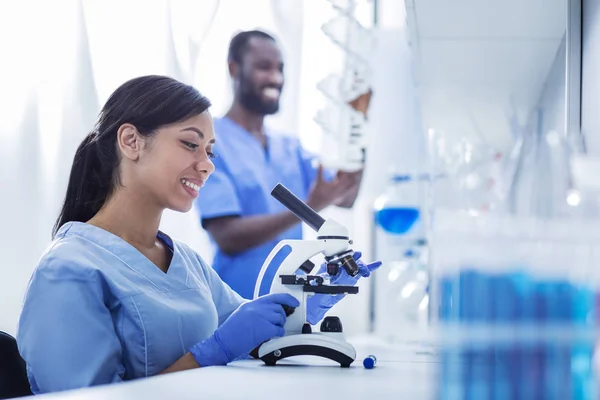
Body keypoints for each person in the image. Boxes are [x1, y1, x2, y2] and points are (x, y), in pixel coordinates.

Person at [16, 75, 377, 395]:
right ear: (131, 141)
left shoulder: (184, 261)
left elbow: (255, 333)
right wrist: (211, 352)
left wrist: (304, 306)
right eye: (190, 144)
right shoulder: (67, 271)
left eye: (210, 151)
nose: (206, 165)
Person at [196, 30, 373, 299]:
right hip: (235, 310)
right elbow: (227, 237)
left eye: (280, 69)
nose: (276, 78)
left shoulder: (290, 148)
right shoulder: (212, 143)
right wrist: (308, 208)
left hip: (292, 305)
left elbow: (345, 195)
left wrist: (357, 124)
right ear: (234, 68)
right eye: (263, 67)